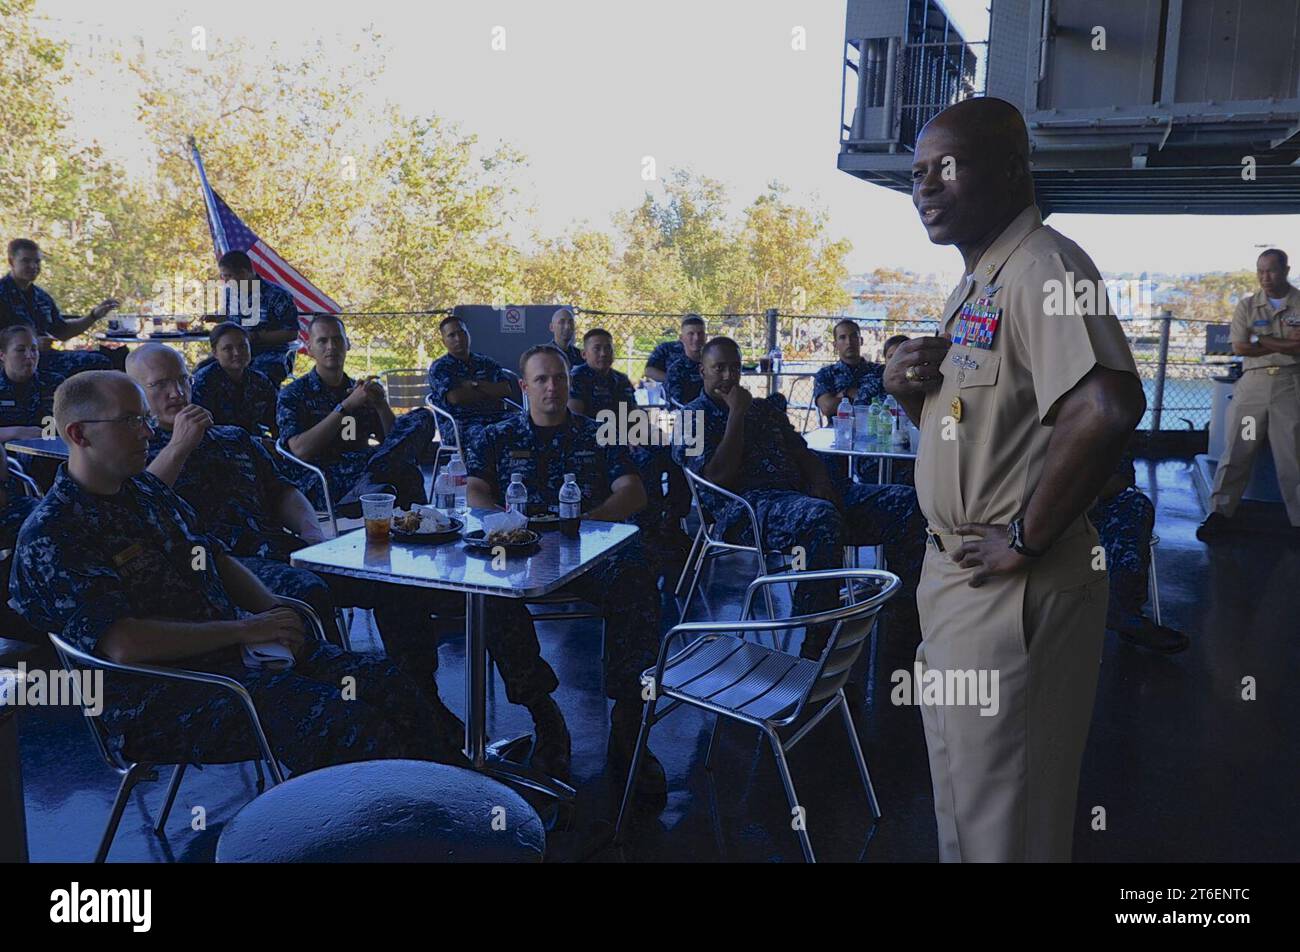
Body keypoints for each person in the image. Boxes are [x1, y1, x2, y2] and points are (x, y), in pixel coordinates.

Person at [886, 97, 1145, 862]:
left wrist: (1026, 539)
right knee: (969, 809)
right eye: (918, 173)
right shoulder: (977, 284)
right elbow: (982, 433)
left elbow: (1105, 406)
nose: (926, 187)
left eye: (948, 166)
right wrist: (909, 395)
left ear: (1011, 169)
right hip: (959, 582)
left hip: (1008, 590)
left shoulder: (1044, 265)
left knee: (1007, 829)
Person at [7, 370, 467, 772]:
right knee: (341, 720)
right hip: (160, 697)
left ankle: (465, 806)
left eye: (144, 419)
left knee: (385, 682)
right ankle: (396, 831)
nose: (148, 433)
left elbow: (216, 556)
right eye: (131, 421)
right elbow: (125, 644)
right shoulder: (55, 532)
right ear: (79, 434)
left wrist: (277, 611)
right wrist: (243, 629)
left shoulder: (145, 491)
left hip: (236, 660)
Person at [125, 343, 465, 744]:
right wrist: (180, 444)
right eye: (159, 385)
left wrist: (315, 535)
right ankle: (342, 708)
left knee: (391, 579)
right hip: (219, 570)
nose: (176, 393)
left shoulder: (233, 437)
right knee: (308, 591)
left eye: (182, 380)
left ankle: (419, 697)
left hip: (279, 548)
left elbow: (283, 490)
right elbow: (141, 507)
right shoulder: (135, 454)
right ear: (136, 396)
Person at [465, 346, 667, 805]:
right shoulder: (496, 436)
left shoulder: (597, 433)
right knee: (489, 591)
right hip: (521, 549)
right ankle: (544, 716)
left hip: (589, 552)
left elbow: (632, 492)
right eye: (541, 379)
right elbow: (476, 489)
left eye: (559, 378)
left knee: (636, 579)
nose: (552, 387)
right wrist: (505, 524)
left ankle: (629, 726)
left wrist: (588, 524)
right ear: (524, 386)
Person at [677, 337, 925, 648]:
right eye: (719, 368)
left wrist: (820, 482)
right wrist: (736, 415)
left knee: (904, 501)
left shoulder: (764, 409)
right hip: (747, 510)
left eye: (735, 368)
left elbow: (803, 453)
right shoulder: (691, 417)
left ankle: (903, 617)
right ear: (702, 370)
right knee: (820, 519)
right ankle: (817, 641)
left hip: (803, 496)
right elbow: (717, 477)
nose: (728, 376)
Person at [277, 314, 434, 515]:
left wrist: (380, 404)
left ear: (347, 344)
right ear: (309, 349)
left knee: (422, 417)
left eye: (337, 339)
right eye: (322, 341)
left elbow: (392, 440)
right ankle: (400, 510)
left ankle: (419, 528)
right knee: (404, 471)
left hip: (366, 470)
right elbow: (300, 450)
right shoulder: (294, 394)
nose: (331, 346)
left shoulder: (358, 389)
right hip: (321, 477)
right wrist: (345, 408)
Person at [1198, 248, 1300, 539]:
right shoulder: (1246, 306)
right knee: (1238, 451)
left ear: (1286, 270)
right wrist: (1284, 344)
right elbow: (1240, 347)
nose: (1265, 278)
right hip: (1253, 387)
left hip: (1290, 386)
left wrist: (1261, 339)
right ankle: (1220, 512)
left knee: (1293, 455)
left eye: (1271, 270)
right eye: (1260, 271)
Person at [570, 327, 693, 565]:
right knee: (646, 462)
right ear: (584, 354)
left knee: (677, 452)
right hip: (593, 445)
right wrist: (621, 438)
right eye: (597, 348)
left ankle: (672, 518)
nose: (604, 353)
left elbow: (633, 415)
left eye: (608, 347)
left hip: (625, 438)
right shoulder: (578, 377)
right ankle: (647, 529)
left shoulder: (619, 379)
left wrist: (648, 433)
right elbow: (577, 421)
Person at [1089, 455, 1188, 653]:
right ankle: (1121, 613)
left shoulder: (1100, 426)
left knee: (1135, 504)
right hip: (1037, 513)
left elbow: (1122, 477)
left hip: (1089, 500)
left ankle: (1122, 608)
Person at [0, 239, 115, 377]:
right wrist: (32, 344)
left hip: (45, 359)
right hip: (12, 365)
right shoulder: (2, 294)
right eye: (26, 261)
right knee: (99, 362)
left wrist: (93, 316)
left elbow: (62, 331)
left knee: (110, 357)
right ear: (12, 261)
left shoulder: (41, 297)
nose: (33, 266)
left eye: (37, 261)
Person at [426, 315, 516, 448]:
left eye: (462, 332)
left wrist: (475, 385)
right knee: (485, 435)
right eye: (452, 335)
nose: (458, 338)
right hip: (460, 423)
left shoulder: (485, 362)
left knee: (526, 424)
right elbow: (455, 397)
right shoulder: (440, 367)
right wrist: (490, 391)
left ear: (468, 334)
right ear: (444, 342)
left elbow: (506, 390)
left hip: (495, 417)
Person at [213, 250, 300, 386]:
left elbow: (291, 332)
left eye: (229, 276)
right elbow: (231, 319)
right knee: (204, 373)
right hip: (235, 351)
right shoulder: (231, 293)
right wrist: (218, 317)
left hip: (271, 353)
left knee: (256, 378)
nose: (226, 281)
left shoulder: (277, 295)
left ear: (244, 273)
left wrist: (256, 337)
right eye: (224, 277)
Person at [190, 322, 278, 437]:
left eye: (243, 346)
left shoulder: (260, 380)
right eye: (228, 348)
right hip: (218, 447)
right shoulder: (203, 382)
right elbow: (203, 431)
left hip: (256, 443)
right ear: (215, 353)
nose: (237, 353)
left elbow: (277, 419)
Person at [0, 325, 63, 441]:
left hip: (49, 452)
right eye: (20, 350)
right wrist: (15, 432)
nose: (29, 356)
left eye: (34, 349)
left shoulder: (55, 383)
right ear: (2, 355)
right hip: (6, 456)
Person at [643, 314, 706, 384]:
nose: (696, 338)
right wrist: (673, 380)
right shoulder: (666, 348)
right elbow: (649, 370)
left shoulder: (711, 352)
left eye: (700, 333)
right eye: (691, 333)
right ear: (681, 337)